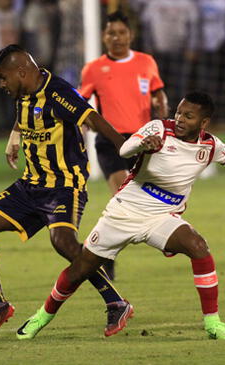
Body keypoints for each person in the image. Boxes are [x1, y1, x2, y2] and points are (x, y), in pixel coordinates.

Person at [14, 92, 225, 341]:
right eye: (178, 112)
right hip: (124, 212)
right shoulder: (159, 129)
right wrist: (141, 145)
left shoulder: (209, 146)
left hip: (161, 217)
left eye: (188, 115)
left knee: (199, 248)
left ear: (204, 123)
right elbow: (124, 148)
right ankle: (41, 317)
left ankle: (212, 323)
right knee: (81, 269)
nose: (180, 118)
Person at [0, 44, 131, 341]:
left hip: (64, 186)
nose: (1, 85)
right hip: (30, 186)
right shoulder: (23, 91)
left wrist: (125, 148)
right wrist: (16, 135)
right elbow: (28, 111)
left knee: (64, 242)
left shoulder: (58, 93)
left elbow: (92, 118)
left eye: (3, 78)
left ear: (21, 72)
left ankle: (116, 302)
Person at [79, 11, 168, 280]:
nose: (116, 38)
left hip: (142, 141)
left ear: (130, 35)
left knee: (152, 198)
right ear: (104, 37)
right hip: (110, 141)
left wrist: (160, 103)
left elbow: (157, 93)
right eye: (110, 33)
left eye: (121, 32)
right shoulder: (93, 68)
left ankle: (160, 235)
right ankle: (105, 256)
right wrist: (82, 125)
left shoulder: (146, 62)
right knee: (121, 196)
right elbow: (81, 105)